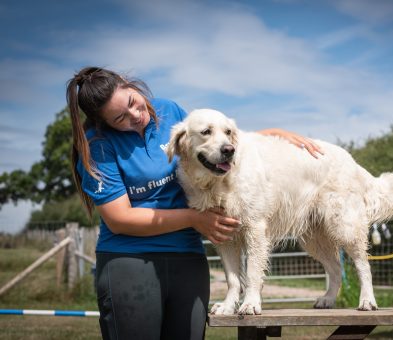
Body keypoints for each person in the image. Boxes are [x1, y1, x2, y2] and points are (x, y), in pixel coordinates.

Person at [66, 66, 323, 340]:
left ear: (131, 86)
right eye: (120, 117)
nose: (135, 115)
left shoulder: (169, 111)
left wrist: (274, 134)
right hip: (130, 262)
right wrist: (194, 218)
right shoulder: (97, 145)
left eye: (132, 102)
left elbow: (212, 139)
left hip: (188, 257)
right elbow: (119, 219)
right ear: (104, 123)